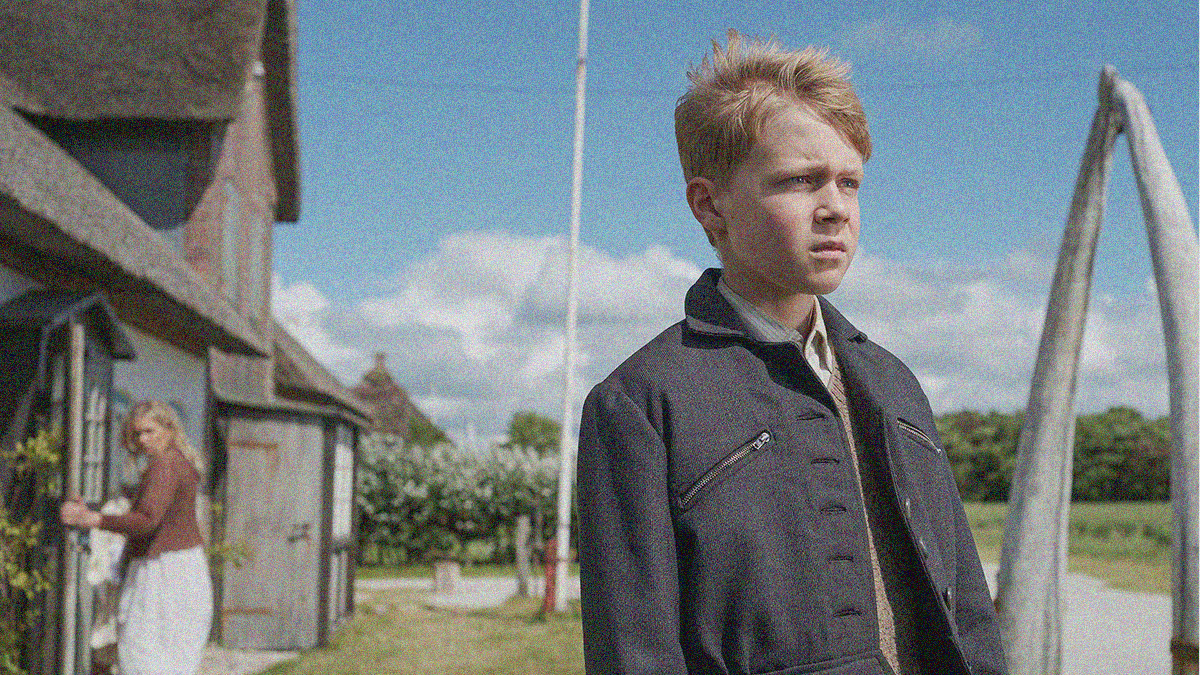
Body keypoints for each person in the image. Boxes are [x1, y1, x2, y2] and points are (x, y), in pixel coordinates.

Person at [576, 31, 1008, 675]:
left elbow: (969, 614)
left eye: (849, 183)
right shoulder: (640, 403)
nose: (835, 209)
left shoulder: (893, 382)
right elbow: (635, 655)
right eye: (801, 181)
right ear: (709, 204)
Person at [60, 400, 213, 675]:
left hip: (164, 572)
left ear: (168, 429)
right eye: (137, 433)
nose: (142, 440)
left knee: (144, 655)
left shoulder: (165, 465)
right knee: (170, 658)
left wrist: (92, 519)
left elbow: (147, 520)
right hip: (182, 567)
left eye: (149, 431)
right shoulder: (178, 461)